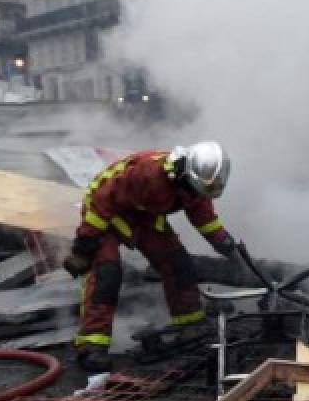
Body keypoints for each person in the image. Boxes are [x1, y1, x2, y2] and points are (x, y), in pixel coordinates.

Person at [62, 141, 238, 373]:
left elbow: (204, 218)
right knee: (107, 273)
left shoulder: (196, 185)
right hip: (106, 215)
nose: (198, 195)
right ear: (187, 172)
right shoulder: (148, 175)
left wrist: (225, 243)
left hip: (143, 216)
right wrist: (84, 246)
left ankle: (190, 324)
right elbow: (101, 202)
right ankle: (91, 346)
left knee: (178, 264)